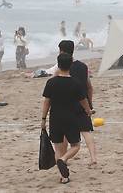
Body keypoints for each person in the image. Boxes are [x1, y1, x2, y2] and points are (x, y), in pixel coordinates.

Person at [41, 53, 92, 184]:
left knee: (58, 147)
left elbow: (47, 102)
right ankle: (63, 159)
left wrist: (43, 119)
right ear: (70, 65)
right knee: (75, 145)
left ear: (58, 65)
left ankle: (64, 176)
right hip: (71, 118)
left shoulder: (51, 82)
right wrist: (88, 111)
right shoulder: (76, 83)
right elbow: (83, 100)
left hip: (55, 118)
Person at [58, 40, 97, 164]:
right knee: (86, 131)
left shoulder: (63, 67)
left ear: (62, 51)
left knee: (65, 132)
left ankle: (64, 158)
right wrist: (90, 104)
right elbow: (89, 86)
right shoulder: (83, 66)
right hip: (83, 102)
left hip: (68, 105)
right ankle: (93, 158)